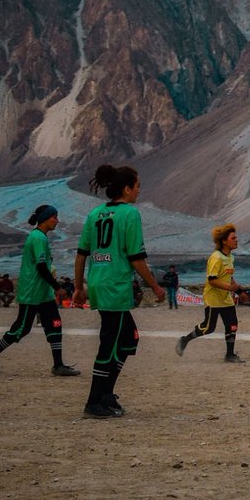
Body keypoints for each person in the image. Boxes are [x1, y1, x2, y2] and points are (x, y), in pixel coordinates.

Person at [74, 164, 166, 418]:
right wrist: (155, 286)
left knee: (128, 338)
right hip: (114, 286)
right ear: (126, 189)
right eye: (137, 186)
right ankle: (94, 401)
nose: (139, 191)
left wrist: (79, 287)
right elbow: (136, 257)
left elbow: (81, 255)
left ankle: (106, 394)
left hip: (98, 282)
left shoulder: (95, 214)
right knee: (109, 344)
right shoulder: (129, 214)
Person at [0, 205, 80, 378]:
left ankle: (58, 365)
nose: (57, 221)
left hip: (43, 293)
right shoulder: (38, 238)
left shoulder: (41, 237)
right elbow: (41, 266)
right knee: (21, 328)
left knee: (55, 324)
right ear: (45, 219)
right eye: (54, 217)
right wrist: (57, 287)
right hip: (32, 292)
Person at [176, 223, 244, 363]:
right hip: (213, 298)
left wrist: (239, 290)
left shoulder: (230, 257)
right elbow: (212, 280)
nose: (236, 240)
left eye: (236, 237)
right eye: (233, 238)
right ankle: (185, 340)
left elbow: (229, 276)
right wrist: (230, 288)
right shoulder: (216, 257)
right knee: (208, 328)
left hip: (225, 298)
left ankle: (230, 355)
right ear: (224, 241)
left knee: (232, 325)